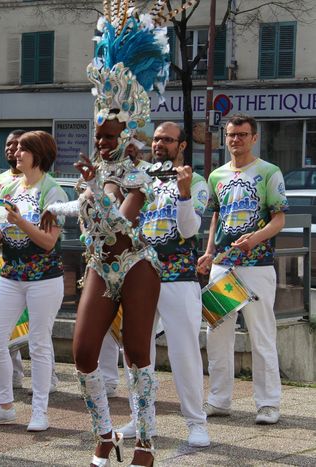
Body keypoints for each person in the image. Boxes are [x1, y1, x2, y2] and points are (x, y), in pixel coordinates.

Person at [42, 4, 182, 464]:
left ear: (127, 134)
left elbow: (121, 220)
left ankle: (145, 440)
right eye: (98, 135)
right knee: (82, 353)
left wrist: (93, 189)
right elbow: (79, 207)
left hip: (137, 264)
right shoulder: (95, 173)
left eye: (108, 136)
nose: (101, 142)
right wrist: (50, 206)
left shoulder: (142, 175)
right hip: (101, 266)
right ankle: (104, 434)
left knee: (138, 353)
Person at [115, 122, 210, 448]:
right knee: (137, 353)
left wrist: (183, 195)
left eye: (167, 140)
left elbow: (189, 229)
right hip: (140, 276)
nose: (160, 144)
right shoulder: (142, 181)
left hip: (179, 279)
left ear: (181, 146)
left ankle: (196, 423)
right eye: (156, 139)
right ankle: (142, 420)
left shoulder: (195, 182)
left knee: (185, 354)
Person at [197, 113, 287, 425]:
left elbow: (279, 218)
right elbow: (215, 217)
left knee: (262, 335)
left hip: (257, 266)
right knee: (217, 334)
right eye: (232, 135)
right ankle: (219, 400)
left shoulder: (269, 172)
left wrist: (254, 239)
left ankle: (268, 404)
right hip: (222, 266)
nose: (237, 140)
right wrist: (209, 252)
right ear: (226, 138)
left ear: (254, 137)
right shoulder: (216, 176)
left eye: (243, 134)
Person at [0, 130, 66, 433]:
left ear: (37, 155)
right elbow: (4, 228)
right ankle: (4, 406)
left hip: (44, 277)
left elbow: (49, 242)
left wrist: (20, 223)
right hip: (12, 273)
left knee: (39, 343)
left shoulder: (52, 192)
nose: (16, 154)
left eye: (23, 150)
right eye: (17, 150)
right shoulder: (11, 187)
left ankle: (39, 411)